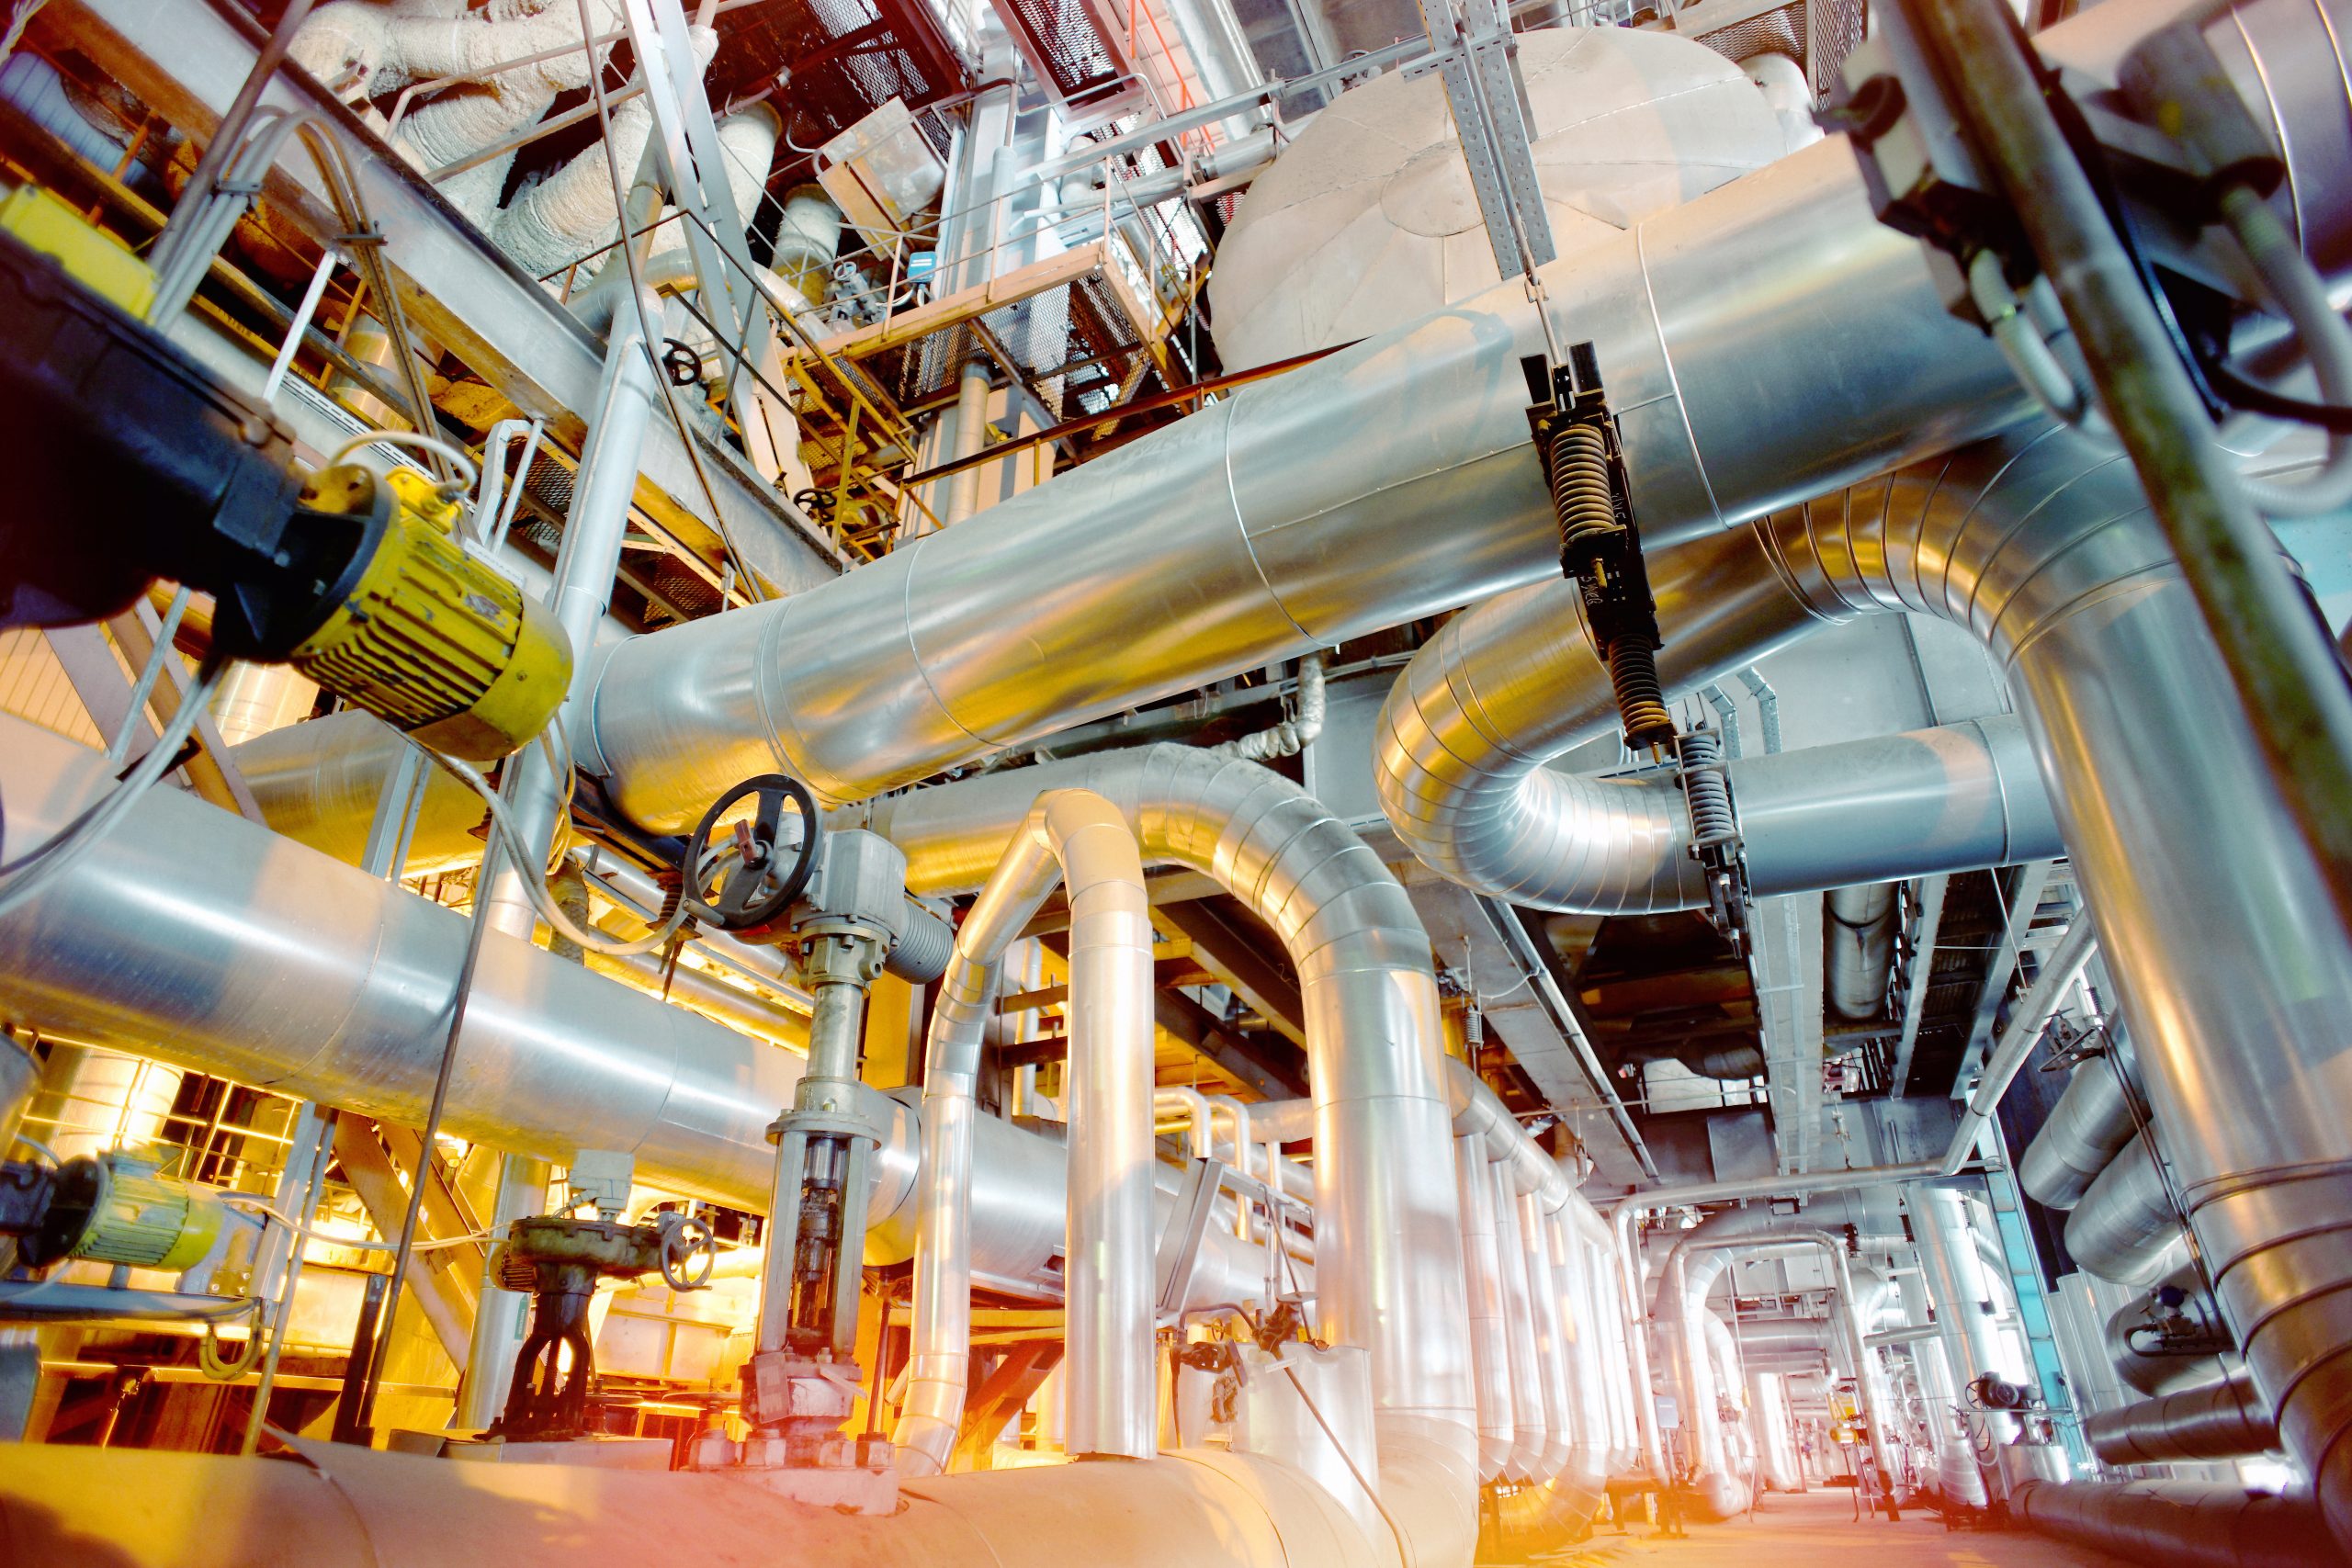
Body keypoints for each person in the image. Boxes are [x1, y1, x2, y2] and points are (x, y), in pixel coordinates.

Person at [1655, 1464, 1690, 1540]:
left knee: (1669, 1510)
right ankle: (1666, 1529)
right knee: (1665, 1509)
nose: (1680, 1467)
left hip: (1674, 1495)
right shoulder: (1674, 1473)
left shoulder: (1681, 1473)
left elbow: (1683, 1479)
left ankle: (1668, 1529)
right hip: (1670, 1494)